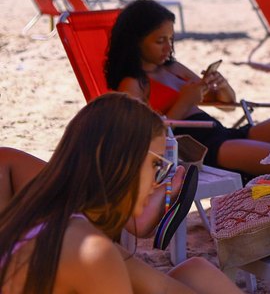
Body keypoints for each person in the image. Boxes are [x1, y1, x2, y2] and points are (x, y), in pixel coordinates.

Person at [0, 93, 241, 294]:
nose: (158, 181)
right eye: (156, 165)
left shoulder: (55, 221)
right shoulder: (91, 250)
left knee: (196, 272)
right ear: (122, 162)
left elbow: (163, 287)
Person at [105, 0, 270, 177]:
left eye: (171, 39)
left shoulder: (173, 67)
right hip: (199, 150)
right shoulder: (133, 84)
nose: (168, 47)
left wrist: (222, 87)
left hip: (222, 134)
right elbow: (147, 141)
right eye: (160, 41)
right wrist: (184, 101)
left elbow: (228, 106)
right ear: (135, 41)